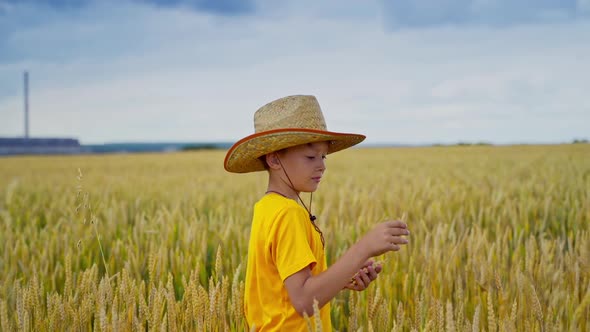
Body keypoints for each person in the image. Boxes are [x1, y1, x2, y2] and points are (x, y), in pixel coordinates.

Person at [224, 95, 410, 331]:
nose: (322, 165)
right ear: (274, 159)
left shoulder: (266, 208)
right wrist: (364, 248)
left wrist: (344, 277)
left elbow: (286, 290)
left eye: (323, 156)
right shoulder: (288, 214)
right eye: (311, 157)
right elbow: (303, 301)